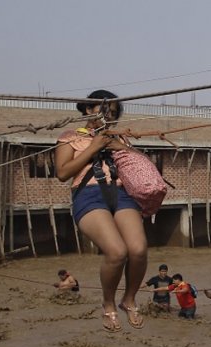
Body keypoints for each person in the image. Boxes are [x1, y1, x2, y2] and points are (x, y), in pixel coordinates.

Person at [54, 89, 147, 333]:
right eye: (104, 111)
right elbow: (63, 173)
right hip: (89, 195)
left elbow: (140, 164)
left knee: (137, 249)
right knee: (117, 252)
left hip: (121, 193)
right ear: (88, 110)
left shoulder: (120, 138)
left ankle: (128, 299)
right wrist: (94, 146)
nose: (109, 117)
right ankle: (108, 304)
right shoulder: (70, 136)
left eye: (113, 113)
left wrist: (119, 145)